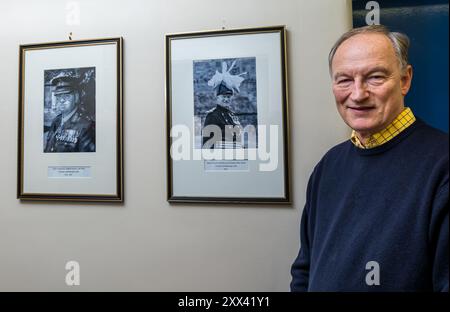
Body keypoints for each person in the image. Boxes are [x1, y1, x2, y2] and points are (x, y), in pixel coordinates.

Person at [290, 25, 448, 292]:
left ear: (405, 80)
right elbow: (305, 270)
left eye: (375, 77)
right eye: (344, 80)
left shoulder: (442, 166)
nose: (358, 94)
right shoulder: (329, 165)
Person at [44, 73, 95, 153]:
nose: (61, 100)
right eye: (58, 96)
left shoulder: (86, 126)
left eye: (66, 96)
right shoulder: (56, 121)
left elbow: (88, 159)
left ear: (76, 97)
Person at [202, 60, 246, 149]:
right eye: (223, 96)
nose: (226, 99)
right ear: (217, 97)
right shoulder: (212, 115)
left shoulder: (232, 115)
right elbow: (207, 145)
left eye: (228, 97)